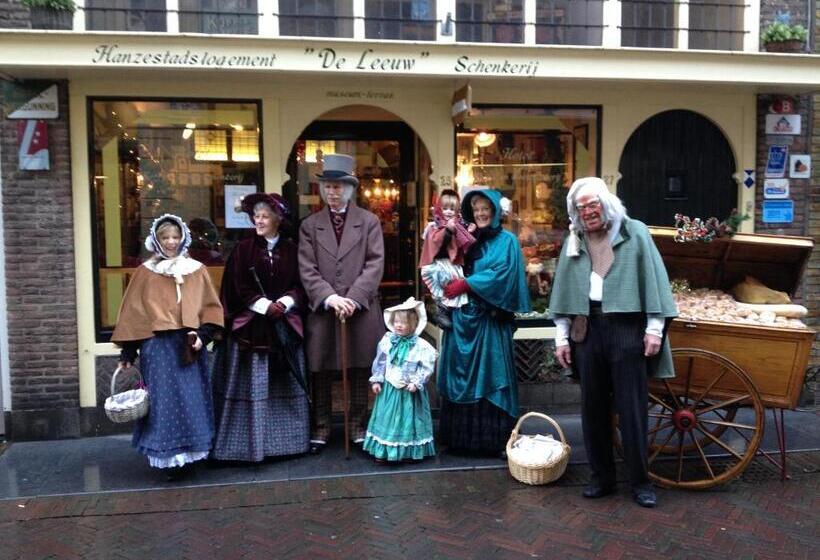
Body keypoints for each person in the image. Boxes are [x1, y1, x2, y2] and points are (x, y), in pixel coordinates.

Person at [549, 177, 677, 508]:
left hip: (626, 329)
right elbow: (563, 289)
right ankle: (601, 477)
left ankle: (640, 481)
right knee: (592, 407)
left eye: (594, 204)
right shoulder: (574, 239)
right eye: (582, 207)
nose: (589, 212)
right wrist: (561, 336)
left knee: (632, 409)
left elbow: (654, 280)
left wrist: (654, 329)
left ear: (606, 203)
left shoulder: (635, 232)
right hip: (587, 329)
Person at [111, 214, 223, 480]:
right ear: (156, 240)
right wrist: (128, 351)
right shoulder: (145, 273)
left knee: (192, 398)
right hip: (158, 348)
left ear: (183, 238)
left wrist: (204, 335)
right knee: (163, 403)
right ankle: (169, 458)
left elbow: (210, 307)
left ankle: (193, 453)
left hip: (188, 345)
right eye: (165, 238)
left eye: (175, 237)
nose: (171, 242)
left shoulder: (197, 270)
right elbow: (134, 314)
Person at [211, 193, 310, 462]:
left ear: (278, 219)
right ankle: (248, 446)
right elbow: (236, 286)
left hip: (284, 328)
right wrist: (264, 305)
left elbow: (302, 284)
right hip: (252, 329)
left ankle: (289, 443)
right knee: (253, 385)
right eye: (256, 216)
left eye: (265, 216)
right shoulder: (243, 249)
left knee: (284, 382)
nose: (259, 220)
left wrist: (287, 302)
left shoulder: (292, 250)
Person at [298, 153, 386, 454]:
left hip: (359, 308)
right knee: (320, 368)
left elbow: (375, 263)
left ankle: (358, 426)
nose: (332, 192)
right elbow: (306, 268)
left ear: (349, 189)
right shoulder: (310, 225)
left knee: (360, 368)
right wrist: (330, 297)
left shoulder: (370, 222)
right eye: (328, 187)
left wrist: (352, 298)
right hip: (324, 309)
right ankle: (321, 427)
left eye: (338, 187)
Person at [436, 188, 531, 457]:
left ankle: (495, 440)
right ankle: (461, 440)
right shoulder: (466, 239)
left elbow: (505, 275)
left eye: (485, 209)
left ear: (495, 211)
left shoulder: (508, 241)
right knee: (459, 376)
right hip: (462, 321)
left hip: (489, 323)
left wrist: (467, 283)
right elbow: (446, 264)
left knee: (492, 375)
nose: (480, 213)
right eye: (475, 209)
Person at [363, 297, 438, 463]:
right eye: (396, 321)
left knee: (408, 420)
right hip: (390, 389)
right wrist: (377, 380)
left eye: (403, 323)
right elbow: (381, 362)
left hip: (409, 390)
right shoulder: (388, 341)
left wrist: (417, 382)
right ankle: (385, 450)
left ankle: (409, 450)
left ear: (413, 324)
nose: (398, 325)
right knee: (387, 418)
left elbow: (426, 367)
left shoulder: (421, 346)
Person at [419, 189, 476, 328]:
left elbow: (463, 242)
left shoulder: (459, 223)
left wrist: (468, 231)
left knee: (453, 288)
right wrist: (448, 230)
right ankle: (438, 309)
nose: (449, 212)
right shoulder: (434, 225)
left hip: (452, 263)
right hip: (438, 263)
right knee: (441, 287)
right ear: (439, 208)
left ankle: (446, 311)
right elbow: (436, 242)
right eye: (445, 208)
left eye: (452, 209)